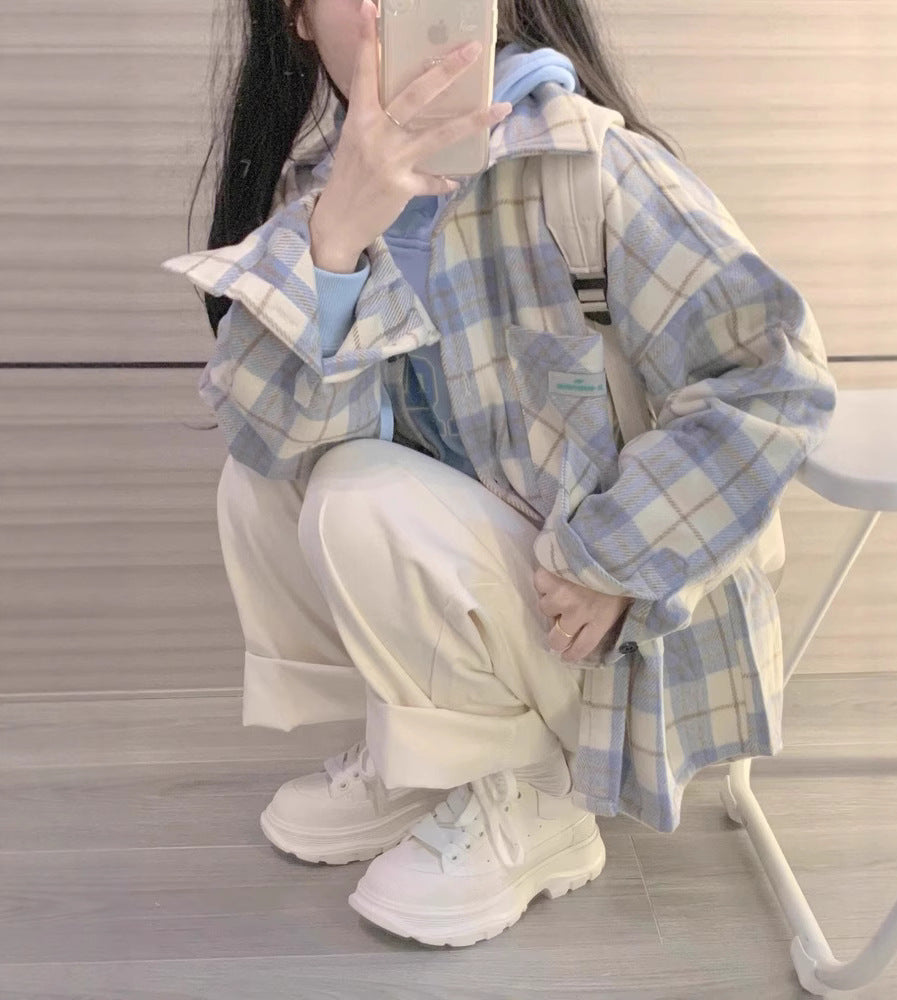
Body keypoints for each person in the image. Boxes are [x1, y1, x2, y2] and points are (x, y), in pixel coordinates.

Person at [163, 0, 836, 947]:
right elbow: (267, 432)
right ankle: (430, 754)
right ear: (297, 17)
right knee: (263, 481)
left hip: (598, 614)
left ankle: (538, 796)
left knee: (358, 497)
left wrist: (617, 559)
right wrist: (339, 233)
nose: (383, 7)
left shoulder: (584, 165)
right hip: (496, 585)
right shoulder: (314, 194)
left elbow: (774, 378)